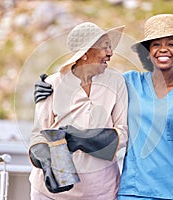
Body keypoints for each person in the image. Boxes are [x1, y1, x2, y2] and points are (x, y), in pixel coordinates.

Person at [34, 14, 173, 200]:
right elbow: (87, 74)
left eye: (171, 44)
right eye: (156, 45)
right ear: (147, 52)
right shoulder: (130, 82)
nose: (163, 50)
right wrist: (49, 85)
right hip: (135, 190)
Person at [29, 22, 128, 200]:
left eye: (110, 47)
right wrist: (46, 162)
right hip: (52, 194)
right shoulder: (53, 84)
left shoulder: (116, 82)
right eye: (105, 47)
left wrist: (83, 138)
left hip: (102, 192)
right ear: (84, 54)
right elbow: (39, 134)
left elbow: (123, 132)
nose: (110, 53)